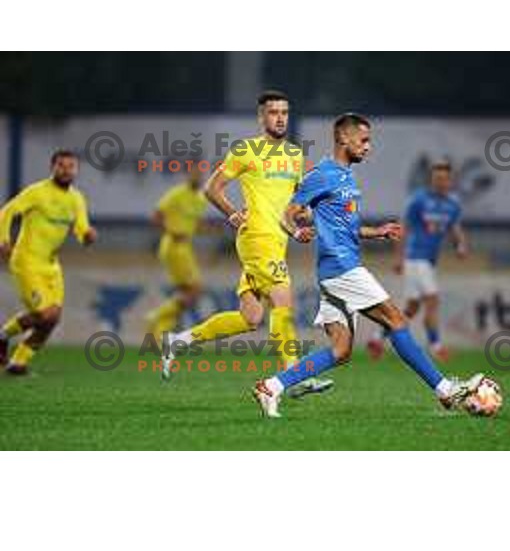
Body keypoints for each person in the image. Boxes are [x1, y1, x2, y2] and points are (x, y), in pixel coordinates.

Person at [252, 113, 483, 418]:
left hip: (337, 270)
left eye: (369, 141)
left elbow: (344, 224)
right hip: (342, 268)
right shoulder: (323, 174)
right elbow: (289, 212)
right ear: (343, 139)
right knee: (397, 320)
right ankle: (445, 389)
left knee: (341, 350)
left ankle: (271, 386)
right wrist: (297, 231)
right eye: (363, 140)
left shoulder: (347, 176)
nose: (368, 147)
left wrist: (377, 231)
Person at [163, 90, 332, 396]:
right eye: (273, 112)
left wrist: (303, 219)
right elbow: (212, 189)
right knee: (283, 300)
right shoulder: (246, 151)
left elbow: (296, 206)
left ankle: (179, 340)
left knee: (250, 318)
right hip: (256, 237)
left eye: (284, 112)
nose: (280, 118)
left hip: (277, 240)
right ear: (261, 117)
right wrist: (232, 213)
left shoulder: (295, 156)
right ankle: (294, 378)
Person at [0, 149, 97, 374]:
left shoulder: (76, 198)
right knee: (47, 315)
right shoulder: (37, 192)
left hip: (51, 267)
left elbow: (81, 229)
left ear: (76, 170)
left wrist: (88, 236)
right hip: (26, 262)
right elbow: (6, 212)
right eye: (61, 165)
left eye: (70, 166)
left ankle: (18, 363)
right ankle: (4, 335)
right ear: (52, 167)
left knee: (51, 321)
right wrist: (4, 239)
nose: (66, 170)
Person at [368, 160, 468, 361]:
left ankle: (378, 338)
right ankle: (436, 346)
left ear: (450, 180)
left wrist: (461, 245)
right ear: (432, 179)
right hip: (415, 258)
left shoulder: (453, 204)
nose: (440, 182)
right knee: (432, 300)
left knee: (412, 307)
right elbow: (403, 228)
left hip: (429, 261)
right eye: (437, 178)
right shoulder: (419, 200)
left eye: (444, 178)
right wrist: (399, 258)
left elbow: (455, 228)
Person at [146, 169, 208, 342]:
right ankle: (156, 316)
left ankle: (159, 334)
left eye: (200, 174)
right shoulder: (177, 194)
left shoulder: (200, 200)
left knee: (185, 293)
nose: (197, 177)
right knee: (195, 290)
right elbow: (156, 216)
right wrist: (171, 231)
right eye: (194, 173)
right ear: (188, 175)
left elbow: (196, 223)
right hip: (173, 245)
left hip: (185, 246)